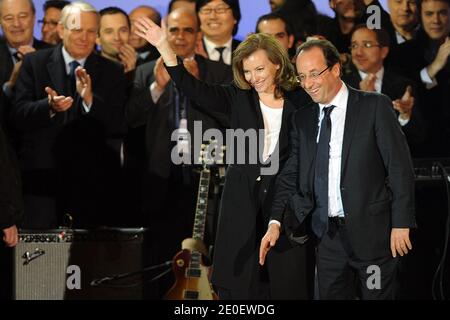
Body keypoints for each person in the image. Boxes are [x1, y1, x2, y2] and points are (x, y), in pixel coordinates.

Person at [135, 17, 310, 299]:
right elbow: (192, 88)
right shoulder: (237, 97)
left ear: (277, 63)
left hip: (285, 205)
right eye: (248, 71)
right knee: (238, 285)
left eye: (260, 68)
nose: (254, 77)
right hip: (241, 204)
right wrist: (164, 46)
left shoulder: (301, 101)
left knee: (285, 285)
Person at [259, 39, 416, 300]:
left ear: (335, 69)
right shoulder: (303, 119)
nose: (308, 84)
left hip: (373, 238)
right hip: (328, 238)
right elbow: (290, 174)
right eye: (301, 77)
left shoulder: (374, 106)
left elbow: (399, 168)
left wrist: (401, 223)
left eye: (314, 74)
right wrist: (275, 221)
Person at [10, 1, 127, 229]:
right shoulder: (35, 63)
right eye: (76, 29)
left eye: (91, 31)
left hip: (91, 188)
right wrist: (49, 107)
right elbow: (17, 115)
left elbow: (118, 125)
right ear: (61, 30)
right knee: (41, 261)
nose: (84, 37)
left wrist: (89, 100)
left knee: (88, 261)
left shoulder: (113, 71)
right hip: (42, 185)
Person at [343, 24, 426, 156]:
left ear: (384, 51)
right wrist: (364, 101)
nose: (358, 52)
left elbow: (418, 137)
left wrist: (405, 116)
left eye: (367, 45)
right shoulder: (341, 86)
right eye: (354, 46)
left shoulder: (402, 85)